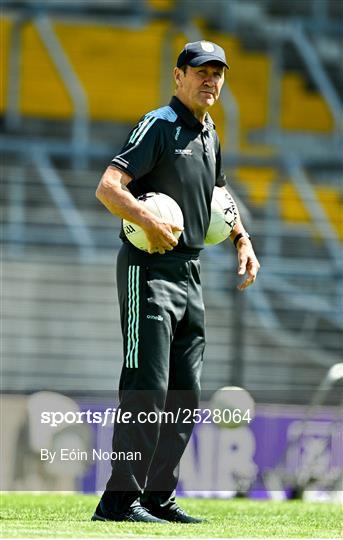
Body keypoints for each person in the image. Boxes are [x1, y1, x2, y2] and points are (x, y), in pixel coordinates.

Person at [92, 40, 260, 524]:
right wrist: (146, 217)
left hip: (190, 272)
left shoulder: (210, 133)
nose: (211, 80)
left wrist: (242, 240)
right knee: (147, 389)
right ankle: (119, 503)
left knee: (184, 394)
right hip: (148, 271)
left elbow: (220, 194)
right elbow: (108, 187)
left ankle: (158, 497)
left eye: (218, 73)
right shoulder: (158, 126)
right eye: (201, 71)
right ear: (178, 76)